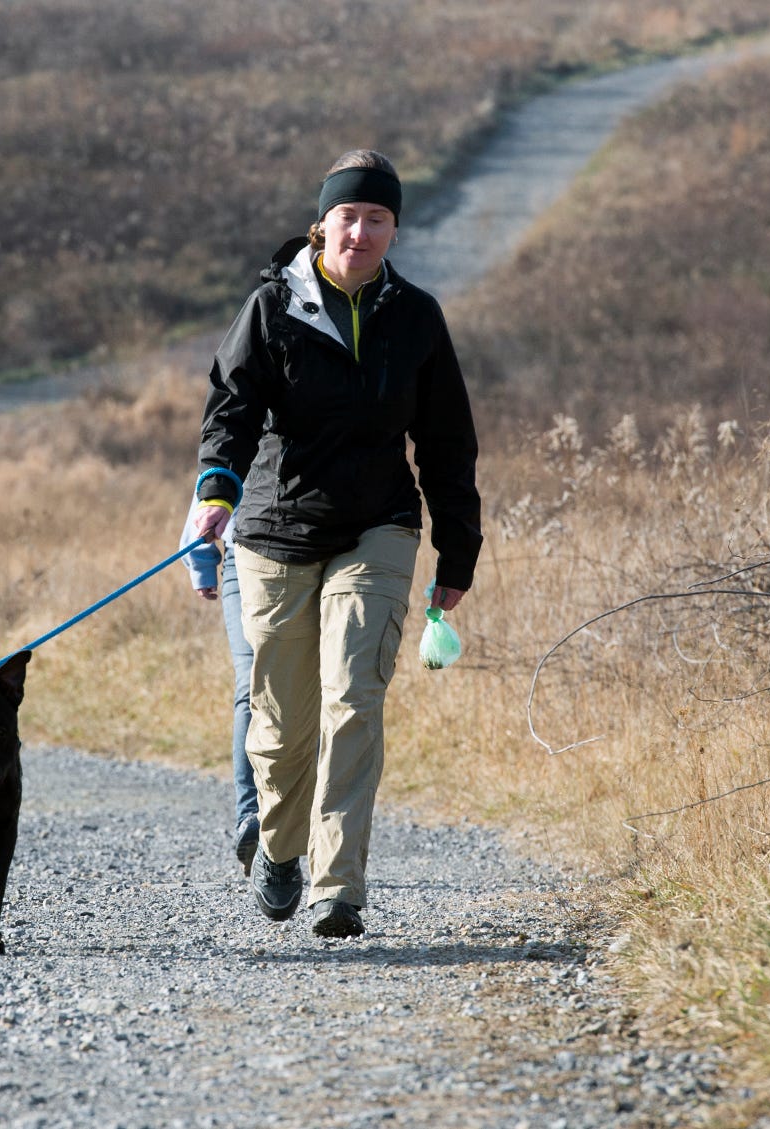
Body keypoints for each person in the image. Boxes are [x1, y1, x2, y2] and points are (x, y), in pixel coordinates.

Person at [191, 150, 481, 939]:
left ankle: (337, 884)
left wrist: (458, 555)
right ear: (322, 222)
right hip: (276, 531)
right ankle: (281, 851)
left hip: (378, 527)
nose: (360, 230)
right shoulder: (272, 307)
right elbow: (232, 410)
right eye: (348, 215)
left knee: (354, 697)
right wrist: (216, 489)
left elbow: (449, 443)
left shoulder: (415, 316)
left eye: (377, 218)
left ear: (393, 229)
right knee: (283, 727)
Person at [176, 508, 260, 874]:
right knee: (253, 685)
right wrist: (201, 559)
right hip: (245, 557)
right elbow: (216, 471)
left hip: (327, 550)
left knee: (319, 687)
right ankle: (251, 819)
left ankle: (310, 821)